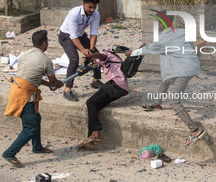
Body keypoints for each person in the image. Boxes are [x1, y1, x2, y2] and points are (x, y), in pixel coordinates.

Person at [125, 12, 205, 146]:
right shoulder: (181, 31)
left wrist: (131, 52)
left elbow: (149, 49)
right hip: (187, 66)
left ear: (162, 24)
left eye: (157, 23)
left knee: (173, 100)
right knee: (166, 81)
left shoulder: (163, 38)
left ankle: (195, 130)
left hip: (183, 70)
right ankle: (157, 104)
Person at [2, 30, 63, 168]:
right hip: (25, 95)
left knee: (37, 118)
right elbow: (53, 81)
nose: (47, 44)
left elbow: (33, 76)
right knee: (30, 128)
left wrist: (49, 85)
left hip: (18, 89)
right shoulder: (46, 60)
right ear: (43, 43)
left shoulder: (25, 54)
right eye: (47, 41)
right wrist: (57, 84)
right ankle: (10, 153)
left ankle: (37, 146)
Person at [76, 50, 129, 150]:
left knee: (90, 102)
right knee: (94, 106)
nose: (95, 65)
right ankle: (91, 138)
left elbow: (101, 56)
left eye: (94, 62)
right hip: (119, 88)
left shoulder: (106, 54)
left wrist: (93, 55)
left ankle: (95, 135)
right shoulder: (110, 59)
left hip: (115, 85)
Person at [59, 0, 103, 102]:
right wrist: (84, 50)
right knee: (74, 60)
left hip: (80, 35)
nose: (92, 10)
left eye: (94, 7)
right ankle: (67, 90)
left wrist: (91, 51)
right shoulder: (74, 13)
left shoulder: (96, 14)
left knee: (97, 56)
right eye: (90, 7)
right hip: (67, 36)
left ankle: (95, 80)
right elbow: (73, 36)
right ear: (83, 3)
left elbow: (94, 33)